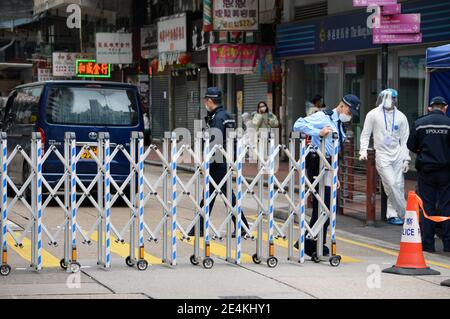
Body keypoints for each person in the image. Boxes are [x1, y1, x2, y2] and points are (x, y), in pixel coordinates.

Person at [293, 94, 361, 256]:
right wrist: (319, 132)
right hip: (318, 163)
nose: (349, 116)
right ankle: (312, 243)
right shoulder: (323, 117)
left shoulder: (341, 124)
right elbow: (298, 125)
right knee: (323, 204)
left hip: (331, 165)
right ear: (343, 106)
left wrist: (335, 174)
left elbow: (337, 150)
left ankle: (312, 242)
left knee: (329, 206)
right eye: (349, 112)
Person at [188, 87, 250, 237]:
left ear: (210, 101)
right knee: (214, 194)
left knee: (223, 194)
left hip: (218, 161)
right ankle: (201, 227)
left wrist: (207, 160)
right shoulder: (226, 115)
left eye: (206, 100)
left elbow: (215, 141)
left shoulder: (217, 118)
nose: (205, 103)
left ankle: (241, 226)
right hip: (226, 159)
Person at [359, 89, 411, 226]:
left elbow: (405, 140)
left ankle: (393, 215)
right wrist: (363, 150)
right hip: (381, 154)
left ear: (396, 99)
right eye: (387, 97)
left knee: (398, 186)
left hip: (398, 153)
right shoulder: (373, 114)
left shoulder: (401, 117)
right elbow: (365, 134)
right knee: (391, 184)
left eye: (392, 98)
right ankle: (406, 213)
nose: (390, 100)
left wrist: (406, 159)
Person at [407, 97, 450, 253]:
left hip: (426, 171)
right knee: (447, 206)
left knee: (427, 207)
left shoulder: (420, 123)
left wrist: (423, 151)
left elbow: (411, 145)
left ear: (430, 108)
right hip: (446, 171)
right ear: (445, 107)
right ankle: (448, 244)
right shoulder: (448, 123)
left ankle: (428, 244)